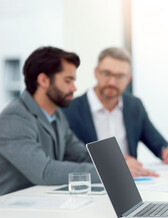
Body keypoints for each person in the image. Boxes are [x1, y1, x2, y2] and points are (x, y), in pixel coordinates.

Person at [62, 47, 168, 177]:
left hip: (131, 184)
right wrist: (115, 166)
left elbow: (159, 145)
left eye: (120, 76)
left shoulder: (134, 106)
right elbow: (67, 158)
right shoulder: (69, 109)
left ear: (128, 78)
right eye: (107, 73)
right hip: (93, 185)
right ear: (96, 72)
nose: (112, 82)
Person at [0, 46, 100, 196]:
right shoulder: (15, 118)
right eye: (68, 80)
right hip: (13, 210)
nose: (74, 88)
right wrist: (109, 172)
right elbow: (45, 172)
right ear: (43, 80)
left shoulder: (56, 115)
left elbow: (80, 154)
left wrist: (114, 163)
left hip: (44, 202)